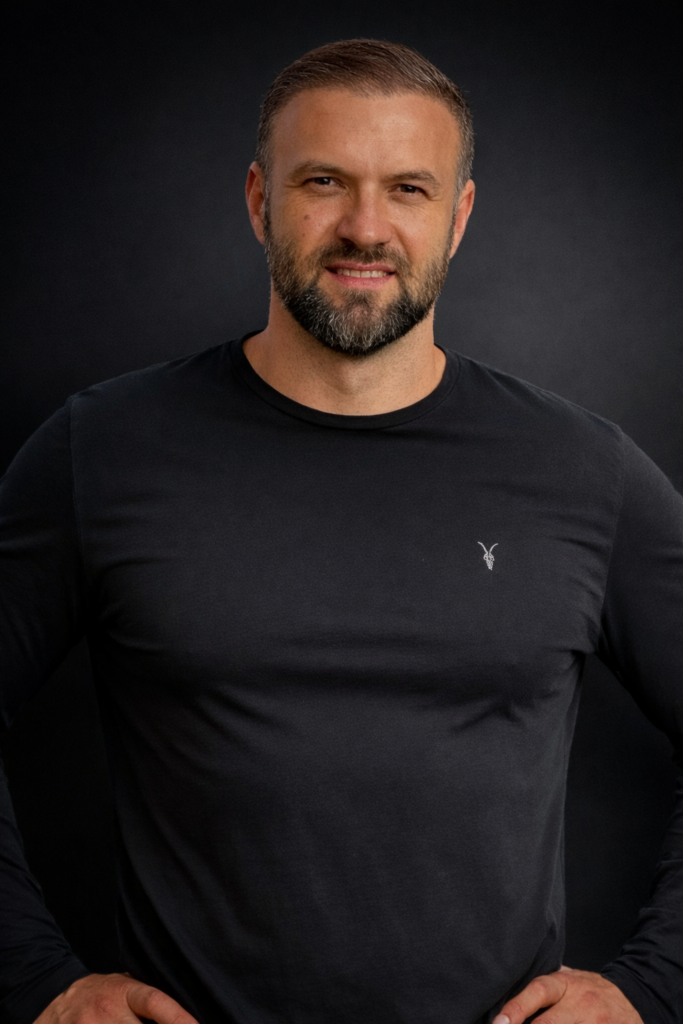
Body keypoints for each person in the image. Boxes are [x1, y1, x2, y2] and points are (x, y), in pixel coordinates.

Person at [0, 37, 680, 1024]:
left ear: (458, 217)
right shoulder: (99, 451)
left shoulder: (584, 471)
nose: (365, 227)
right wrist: (36, 981)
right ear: (258, 201)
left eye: (407, 189)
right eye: (323, 181)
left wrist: (652, 986)